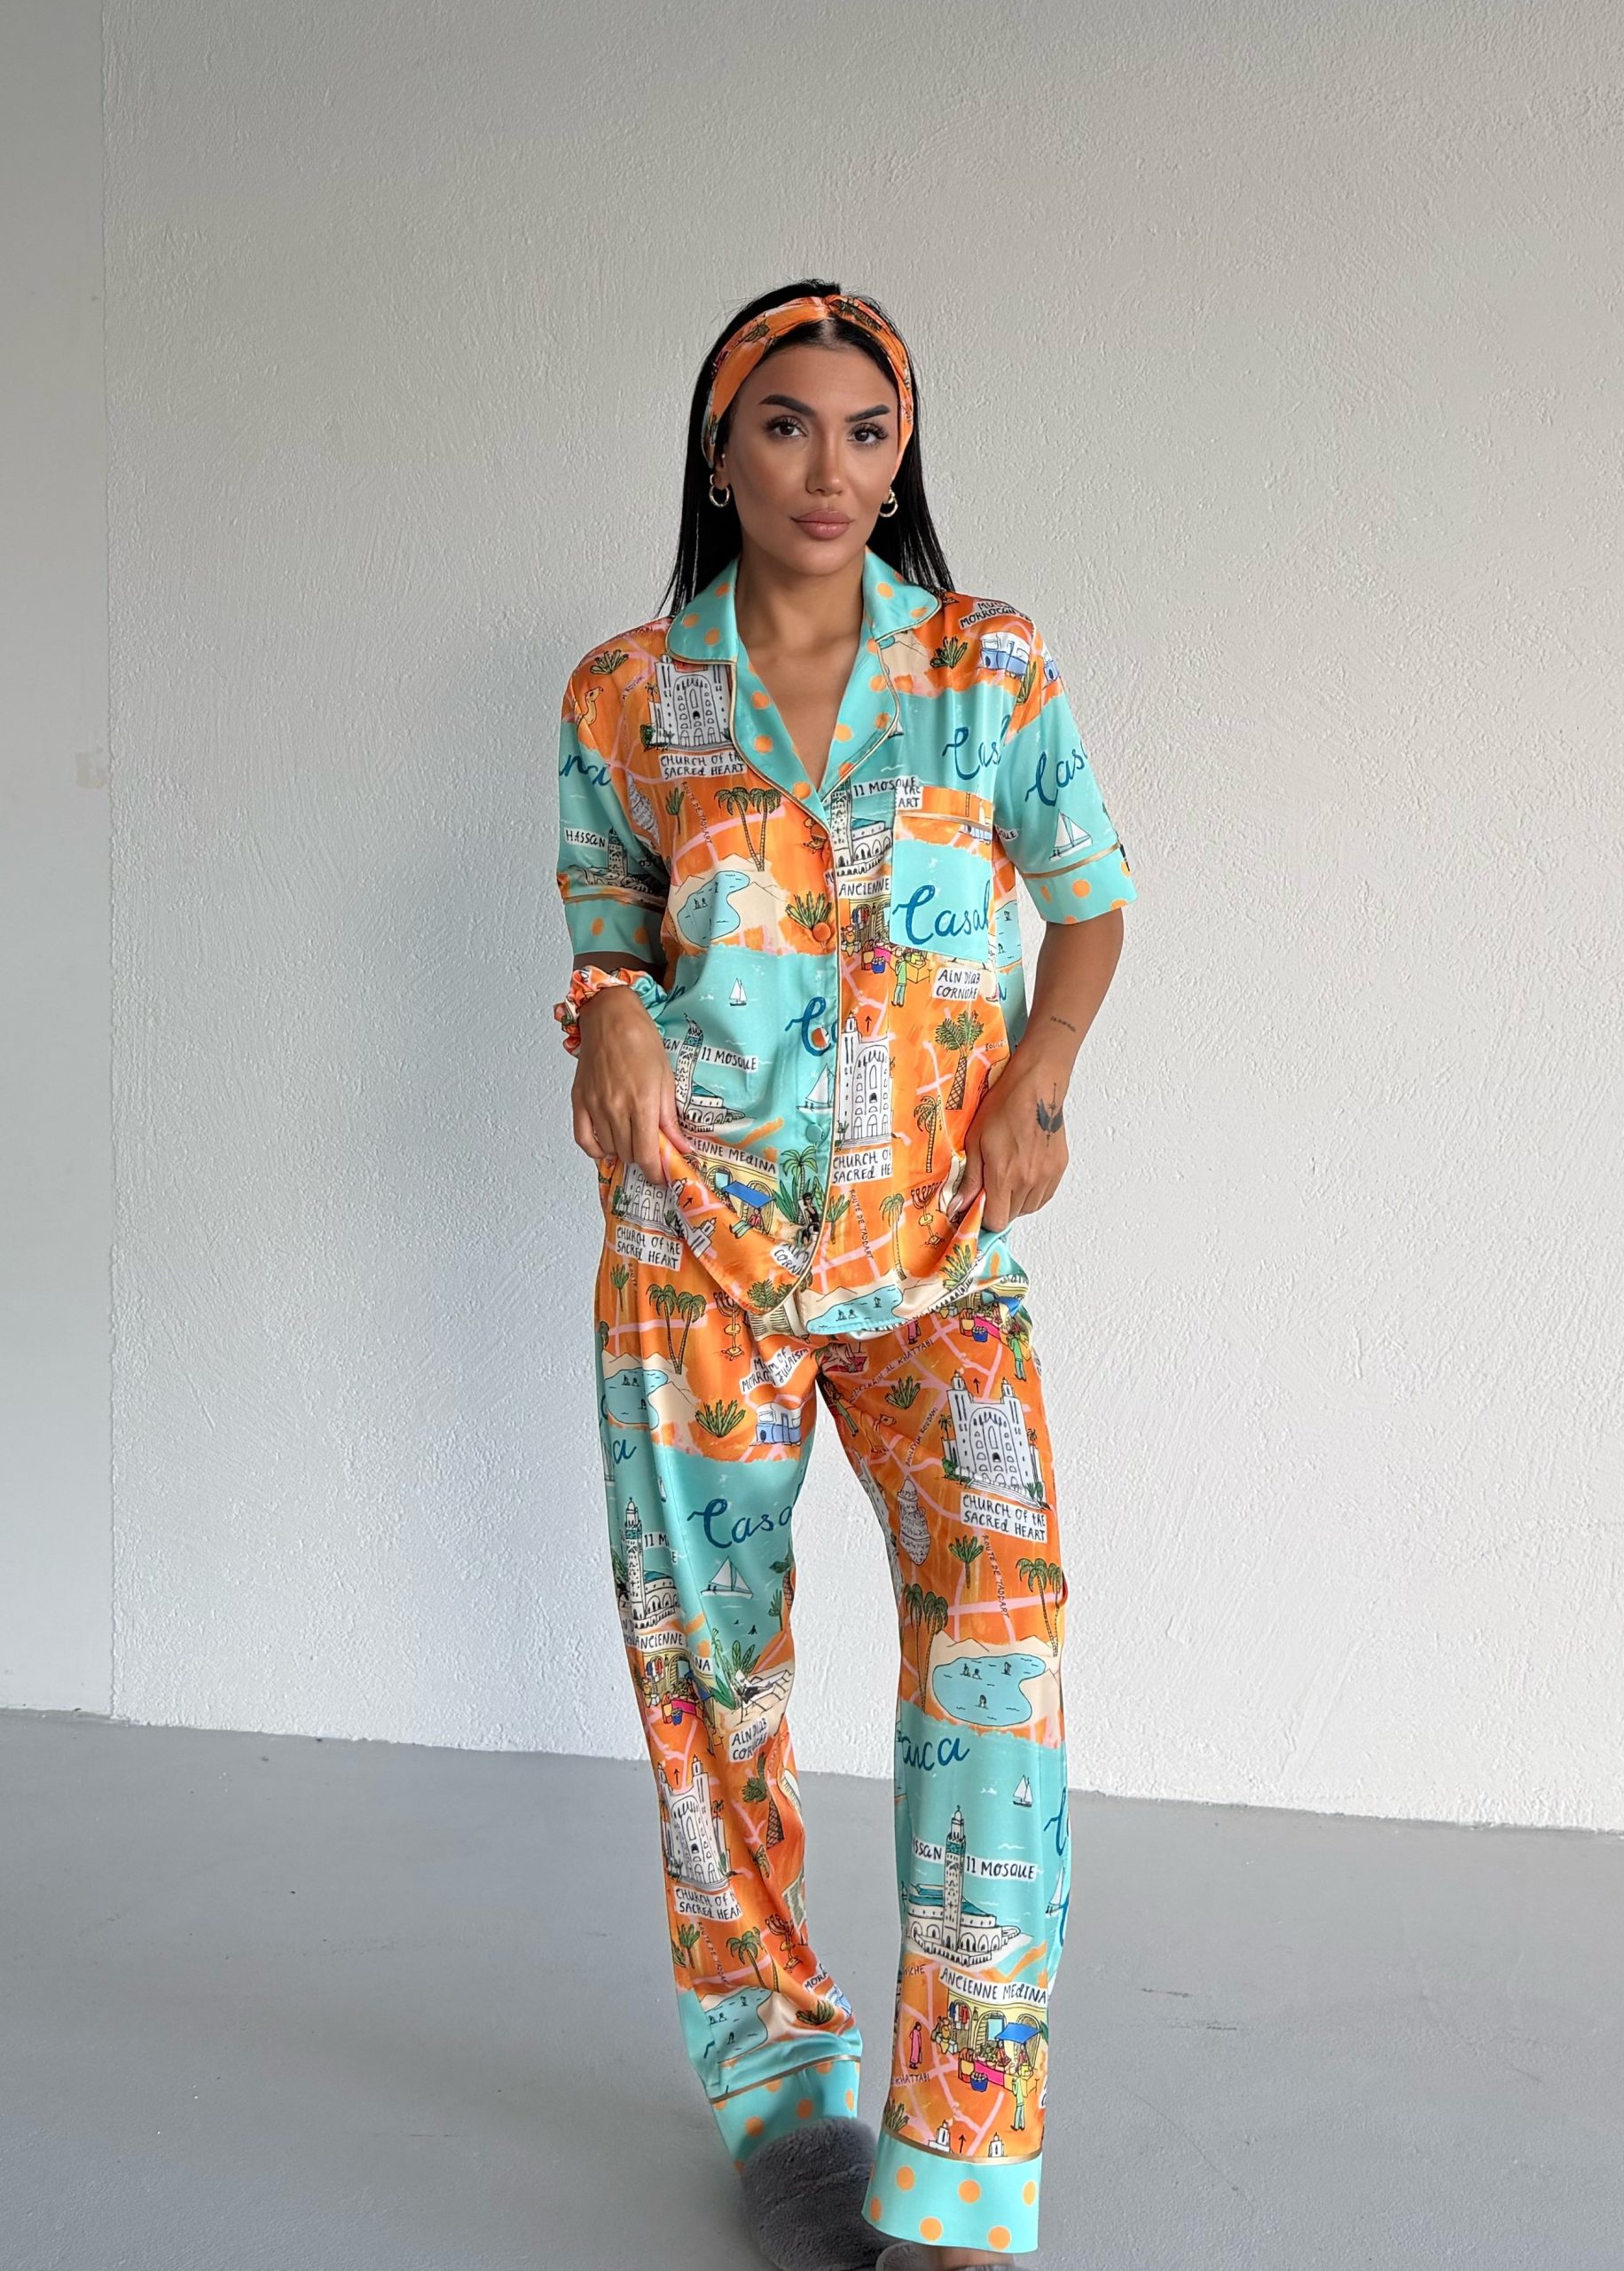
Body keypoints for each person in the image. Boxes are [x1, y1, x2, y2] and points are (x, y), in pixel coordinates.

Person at [551, 280, 1136, 2271]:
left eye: (870, 431)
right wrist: (607, 1015)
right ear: (721, 454)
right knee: (710, 1683)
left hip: (938, 1248)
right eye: (787, 425)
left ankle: (960, 2171)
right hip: (693, 1250)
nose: (832, 467)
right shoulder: (628, 693)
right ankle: (782, 2095)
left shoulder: (986, 666)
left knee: (999, 1653)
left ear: (905, 459)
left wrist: (1042, 1076)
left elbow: (1091, 902)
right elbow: (610, 920)